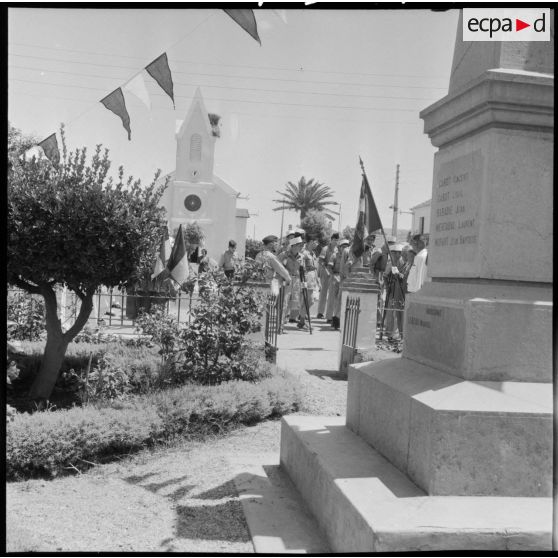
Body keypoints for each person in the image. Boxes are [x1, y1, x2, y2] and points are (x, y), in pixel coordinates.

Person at [278, 236, 305, 330]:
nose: (301, 247)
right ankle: (280, 325)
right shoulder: (283, 255)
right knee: (284, 302)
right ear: (293, 246)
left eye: (301, 246)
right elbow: (279, 268)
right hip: (286, 280)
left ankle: (286, 319)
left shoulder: (301, 256)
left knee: (294, 303)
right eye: (299, 245)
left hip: (296, 281)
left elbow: (302, 271)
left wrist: (303, 282)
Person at [382, 243, 405, 340]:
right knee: (390, 312)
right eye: (394, 253)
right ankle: (389, 333)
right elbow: (385, 276)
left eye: (398, 253)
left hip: (399, 291)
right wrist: (388, 287)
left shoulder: (403, 263)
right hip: (391, 291)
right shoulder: (390, 263)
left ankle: (396, 334)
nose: (396, 255)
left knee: (398, 312)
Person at [298, 234, 320, 328]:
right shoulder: (304, 253)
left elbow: (315, 269)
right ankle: (302, 319)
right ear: (311, 242)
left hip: (312, 279)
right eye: (315, 242)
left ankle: (302, 321)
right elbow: (301, 267)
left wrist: (318, 282)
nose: (317, 244)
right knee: (309, 301)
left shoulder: (313, 254)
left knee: (308, 301)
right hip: (306, 279)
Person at [328, 237, 350, 329]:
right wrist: (334, 276)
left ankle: (338, 320)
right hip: (336, 277)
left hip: (345, 279)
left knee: (342, 300)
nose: (344, 247)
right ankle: (331, 318)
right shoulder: (334, 255)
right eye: (343, 246)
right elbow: (330, 267)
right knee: (334, 299)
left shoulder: (348, 254)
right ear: (339, 247)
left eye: (346, 246)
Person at [316, 232, 339, 319]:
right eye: (334, 240)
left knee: (332, 294)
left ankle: (329, 314)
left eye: (337, 240)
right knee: (323, 292)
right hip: (325, 271)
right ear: (331, 240)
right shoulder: (325, 248)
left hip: (333, 273)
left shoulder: (337, 249)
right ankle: (320, 312)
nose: (336, 242)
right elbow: (321, 261)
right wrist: (326, 270)